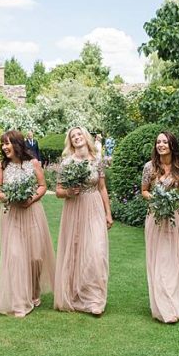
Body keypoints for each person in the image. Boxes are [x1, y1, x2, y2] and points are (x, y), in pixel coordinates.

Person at [140, 132, 179, 324]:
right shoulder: (149, 167)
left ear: (172, 145)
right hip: (156, 217)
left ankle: (178, 303)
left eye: (164, 142)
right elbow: (144, 191)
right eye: (158, 142)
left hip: (178, 214)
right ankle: (164, 308)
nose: (161, 145)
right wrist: (157, 199)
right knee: (159, 261)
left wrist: (176, 198)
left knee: (177, 259)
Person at [0, 130, 56, 317]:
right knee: (15, 255)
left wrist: (30, 199)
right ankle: (19, 300)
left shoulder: (33, 163)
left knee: (35, 257)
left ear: (17, 144)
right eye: (2, 144)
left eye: (7, 143)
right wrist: (11, 198)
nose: (4, 147)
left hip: (33, 212)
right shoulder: (1, 166)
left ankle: (34, 291)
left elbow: (42, 186)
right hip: (11, 214)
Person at [53, 126, 113, 316]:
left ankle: (95, 299)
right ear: (70, 142)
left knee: (97, 252)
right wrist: (68, 192)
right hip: (75, 208)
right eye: (73, 136)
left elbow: (102, 188)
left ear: (86, 138)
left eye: (79, 134)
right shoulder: (67, 163)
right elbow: (58, 191)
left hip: (94, 206)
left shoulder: (97, 161)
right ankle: (75, 295)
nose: (77, 138)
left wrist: (108, 213)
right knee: (76, 250)